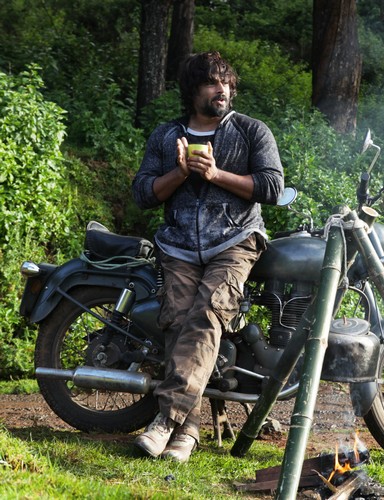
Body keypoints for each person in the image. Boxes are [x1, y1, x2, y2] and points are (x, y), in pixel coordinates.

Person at [131, 51, 284, 463]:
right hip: (178, 245)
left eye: (227, 83)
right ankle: (189, 430)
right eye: (212, 83)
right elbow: (143, 193)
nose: (222, 90)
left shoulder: (252, 131)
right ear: (193, 90)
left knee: (207, 313)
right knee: (178, 322)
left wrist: (216, 174)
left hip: (235, 241)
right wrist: (180, 173)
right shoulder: (167, 136)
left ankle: (167, 421)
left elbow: (272, 187)